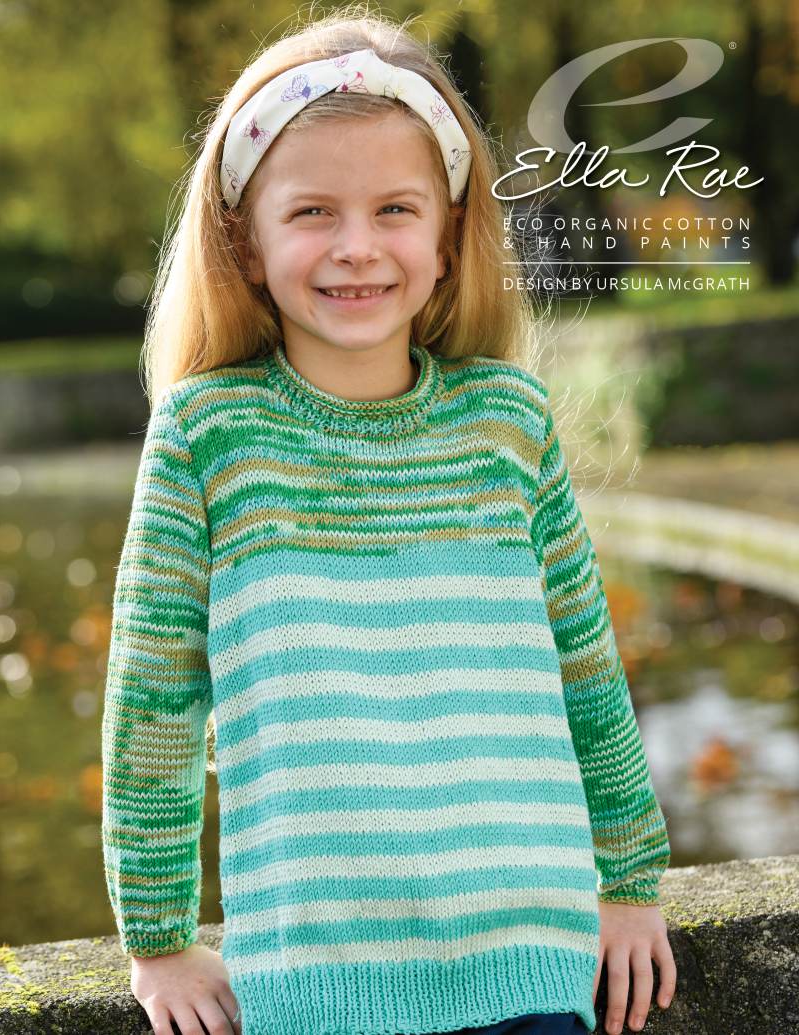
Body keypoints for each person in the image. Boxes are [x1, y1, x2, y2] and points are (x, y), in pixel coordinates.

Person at [100, 7, 677, 1035]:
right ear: (244, 239)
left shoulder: (507, 420)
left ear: (449, 236)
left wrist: (629, 882)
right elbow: (155, 698)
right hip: (315, 980)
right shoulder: (207, 435)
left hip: (528, 958)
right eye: (312, 211)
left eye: (395, 209)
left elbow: (585, 664)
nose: (356, 247)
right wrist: (158, 941)